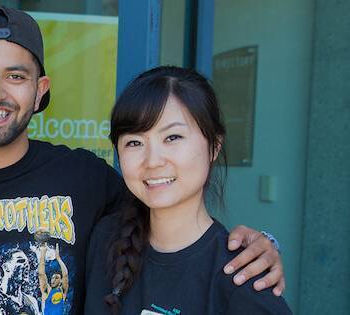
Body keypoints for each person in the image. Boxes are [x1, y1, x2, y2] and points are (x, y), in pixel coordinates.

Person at [0, 4, 286, 315]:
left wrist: (256, 245)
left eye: (15, 75)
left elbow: (170, 209)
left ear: (40, 90)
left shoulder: (85, 176)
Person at [83, 66, 291, 314]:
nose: (153, 160)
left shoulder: (241, 276)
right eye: (134, 142)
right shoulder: (104, 239)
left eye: (172, 137)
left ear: (214, 146)